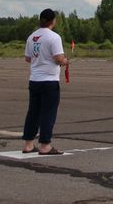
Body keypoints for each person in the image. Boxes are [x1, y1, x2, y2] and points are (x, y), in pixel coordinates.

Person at [21, 8, 69, 155]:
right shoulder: (54, 37)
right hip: (49, 81)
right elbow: (58, 58)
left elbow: (28, 58)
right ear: (53, 21)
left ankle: (28, 144)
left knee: (33, 112)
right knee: (48, 113)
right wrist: (65, 61)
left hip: (34, 80)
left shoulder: (32, 37)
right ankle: (45, 145)